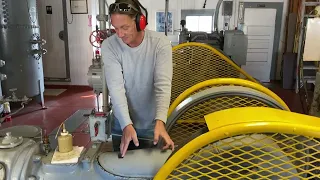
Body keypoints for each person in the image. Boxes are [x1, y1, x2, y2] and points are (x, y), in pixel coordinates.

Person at [101, 0, 174, 158]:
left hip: (152, 124)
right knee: (121, 169)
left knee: (150, 171)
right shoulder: (109, 46)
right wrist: (126, 124)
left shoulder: (160, 44)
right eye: (116, 28)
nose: (119, 34)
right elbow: (116, 88)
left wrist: (160, 121)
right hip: (122, 122)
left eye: (125, 27)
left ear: (140, 22)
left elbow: (163, 85)